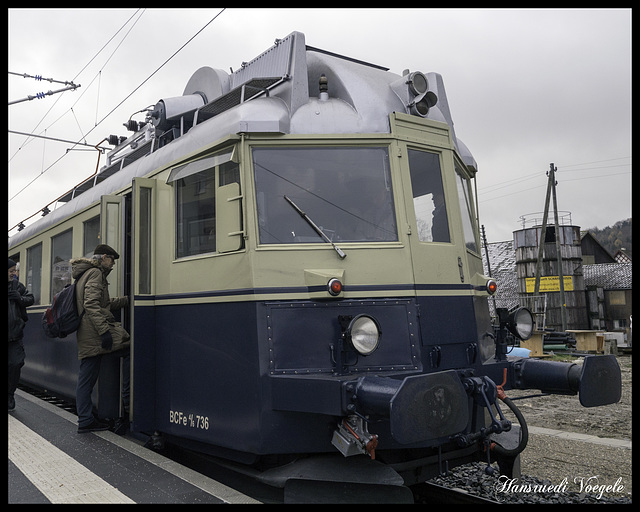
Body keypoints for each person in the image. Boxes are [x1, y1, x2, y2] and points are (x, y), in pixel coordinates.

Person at [71, 244, 130, 433]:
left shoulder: (85, 273)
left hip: (88, 331)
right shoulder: (96, 273)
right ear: (104, 257)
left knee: (87, 376)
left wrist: (127, 300)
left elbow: (103, 303)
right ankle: (124, 406)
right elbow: (92, 304)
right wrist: (104, 331)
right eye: (112, 260)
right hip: (94, 333)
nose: (113, 265)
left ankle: (87, 418)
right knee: (129, 350)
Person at [8, 258, 35, 412]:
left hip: (15, 335)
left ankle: (10, 395)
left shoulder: (17, 286)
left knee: (15, 364)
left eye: (14, 270)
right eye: (11, 271)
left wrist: (19, 299)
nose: (14, 273)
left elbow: (30, 298)